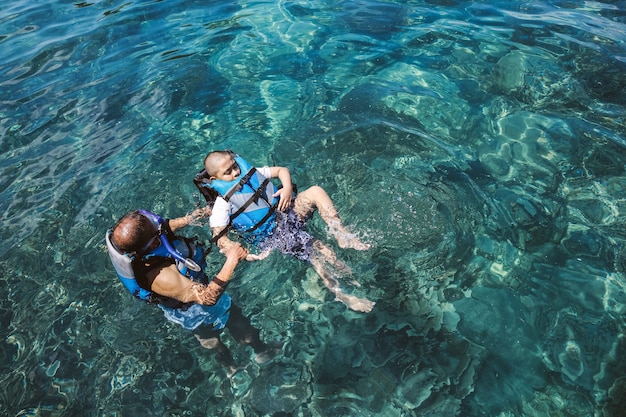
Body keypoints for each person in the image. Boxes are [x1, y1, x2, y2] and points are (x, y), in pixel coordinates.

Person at [193, 150, 375, 313]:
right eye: (228, 172)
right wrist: (242, 253)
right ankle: (343, 295)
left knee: (315, 191)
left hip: (286, 211)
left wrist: (287, 188)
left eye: (235, 166)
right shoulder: (221, 205)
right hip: (274, 235)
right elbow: (219, 237)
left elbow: (281, 171)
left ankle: (341, 234)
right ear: (215, 180)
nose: (236, 172)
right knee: (321, 253)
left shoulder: (251, 172)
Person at [105, 208, 277, 375]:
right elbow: (208, 298)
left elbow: (167, 227)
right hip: (192, 310)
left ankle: (248, 354)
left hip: (193, 290)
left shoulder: (148, 244)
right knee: (221, 335)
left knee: (222, 332)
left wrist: (198, 215)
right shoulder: (160, 276)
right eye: (157, 230)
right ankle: (238, 363)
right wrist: (232, 260)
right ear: (155, 242)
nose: (161, 227)